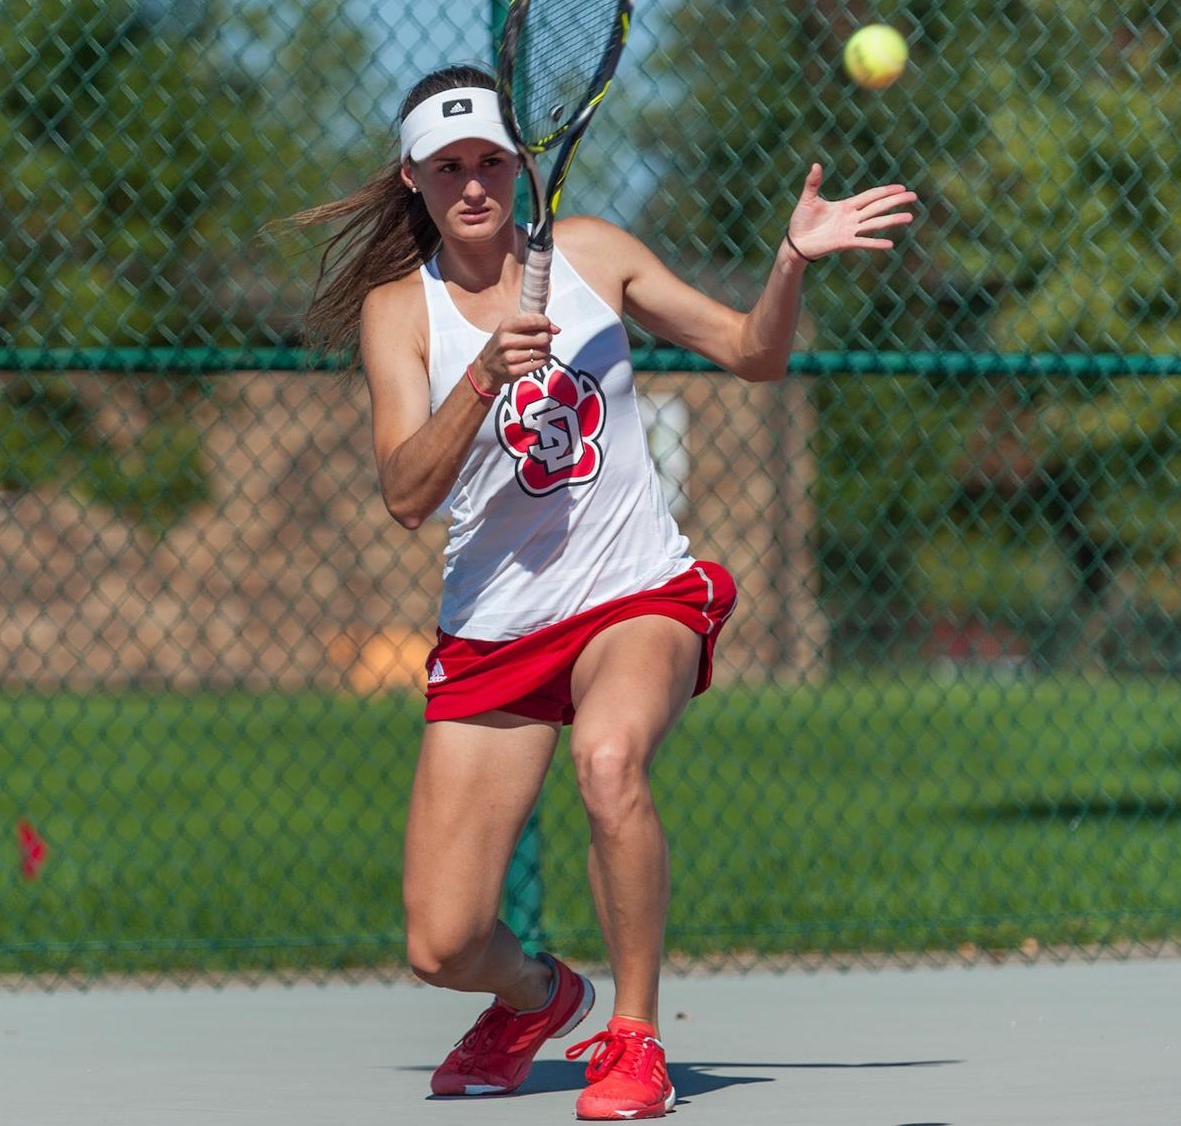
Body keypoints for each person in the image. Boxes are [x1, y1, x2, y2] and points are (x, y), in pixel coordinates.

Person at [292, 64, 915, 1120]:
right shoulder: (400, 312)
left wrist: (786, 263)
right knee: (441, 943)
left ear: (521, 163)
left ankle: (633, 1035)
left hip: (635, 594)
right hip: (493, 629)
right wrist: (485, 374)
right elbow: (404, 492)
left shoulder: (589, 255)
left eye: (491, 160)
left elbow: (751, 356)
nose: (474, 184)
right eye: (449, 167)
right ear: (412, 180)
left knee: (608, 758)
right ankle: (541, 996)